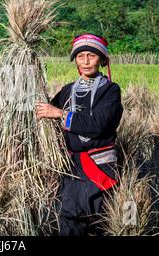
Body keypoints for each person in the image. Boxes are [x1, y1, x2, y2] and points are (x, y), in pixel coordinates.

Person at [36, 33, 123, 235]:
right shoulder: (67, 91)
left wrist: (60, 114)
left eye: (91, 56)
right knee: (68, 218)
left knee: (84, 216)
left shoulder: (110, 91)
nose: (85, 61)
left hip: (98, 165)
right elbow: (46, 112)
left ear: (102, 59)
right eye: (80, 56)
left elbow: (98, 125)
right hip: (71, 167)